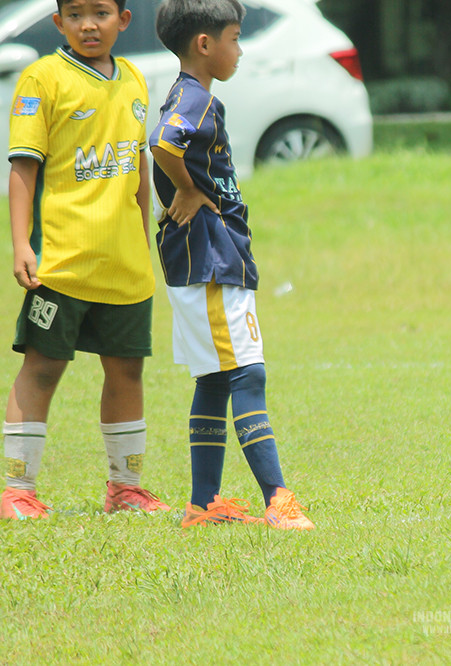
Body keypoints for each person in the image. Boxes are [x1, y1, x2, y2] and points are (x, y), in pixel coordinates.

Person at [1, 0, 171, 520]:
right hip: (62, 263)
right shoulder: (42, 79)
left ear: (124, 18)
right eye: (75, 14)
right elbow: (24, 168)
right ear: (58, 23)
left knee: (126, 371)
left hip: (123, 265)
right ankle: (16, 490)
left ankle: (126, 489)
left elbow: (138, 168)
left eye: (99, 12)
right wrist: (22, 244)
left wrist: (142, 242)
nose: (88, 25)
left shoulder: (136, 80)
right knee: (44, 368)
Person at [149, 0, 313, 529]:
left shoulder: (190, 95)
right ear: (205, 44)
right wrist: (191, 189)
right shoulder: (195, 98)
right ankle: (278, 500)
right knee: (247, 372)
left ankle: (204, 505)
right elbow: (163, 144)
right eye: (235, 38)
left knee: (215, 378)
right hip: (210, 259)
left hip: (202, 258)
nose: (239, 50)